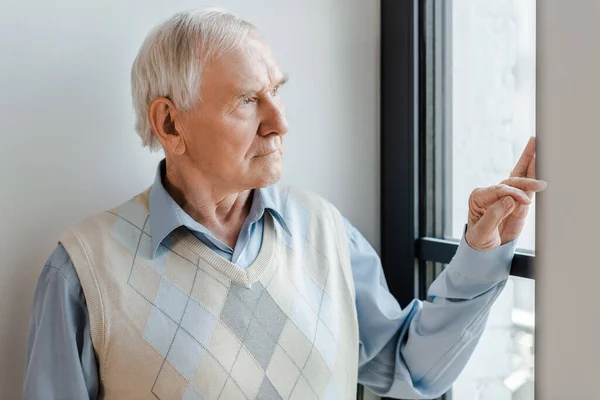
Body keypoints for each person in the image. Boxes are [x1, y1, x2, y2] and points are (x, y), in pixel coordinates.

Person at [22, 9, 546, 400]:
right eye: (248, 100)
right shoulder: (81, 272)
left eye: (276, 91)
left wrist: (481, 251)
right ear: (170, 124)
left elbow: (412, 368)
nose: (280, 122)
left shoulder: (322, 228)